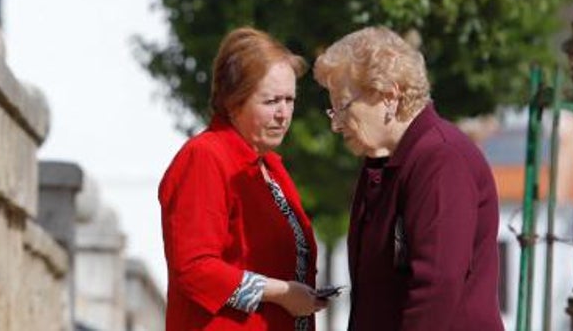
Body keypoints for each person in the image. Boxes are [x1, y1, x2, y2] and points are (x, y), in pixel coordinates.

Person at [313, 27, 503, 331]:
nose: (337, 124)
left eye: (343, 107)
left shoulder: (442, 159)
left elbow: (436, 287)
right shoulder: (382, 160)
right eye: (332, 111)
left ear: (389, 96)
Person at [159, 27, 325, 330]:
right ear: (234, 102)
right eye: (271, 101)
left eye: (290, 100)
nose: (283, 114)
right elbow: (194, 267)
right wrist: (280, 293)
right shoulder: (205, 157)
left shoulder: (270, 167)